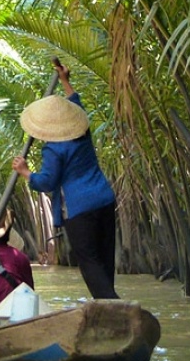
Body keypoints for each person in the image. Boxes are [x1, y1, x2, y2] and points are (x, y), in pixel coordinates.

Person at [12, 61, 119, 299]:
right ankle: (110, 306)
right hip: (103, 199)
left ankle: (114, 308)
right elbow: (75, 103)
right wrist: (65, 80)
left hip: (79, 209)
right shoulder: (83, 132)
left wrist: (25, 171)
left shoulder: (54, 149)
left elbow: (47, 182)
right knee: (104, 260)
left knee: (90, 263)